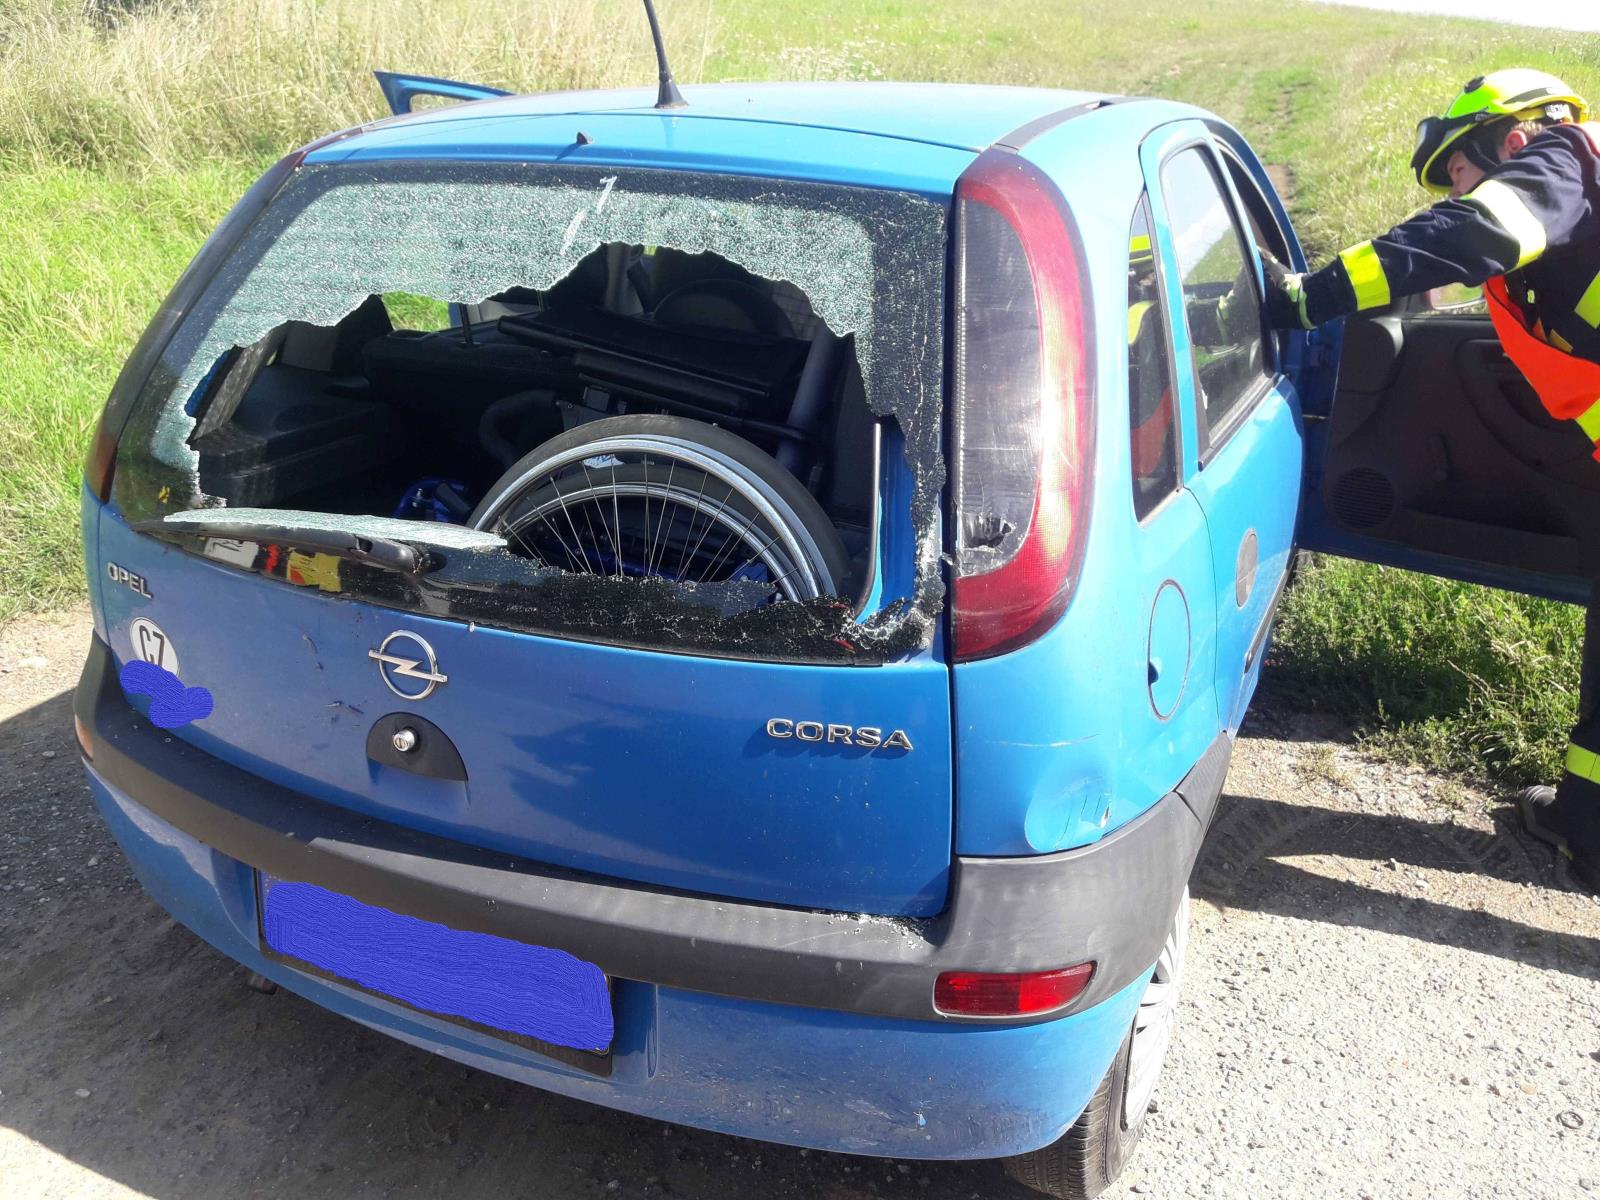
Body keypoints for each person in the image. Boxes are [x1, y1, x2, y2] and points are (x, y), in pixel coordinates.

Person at [1262, 67, 1600, 892]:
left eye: (1459, 168)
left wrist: (1310, 297)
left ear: (1513, 139)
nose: (1458, 188)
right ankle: (1584, 826)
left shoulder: (1568, 157)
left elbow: (1471, 233)